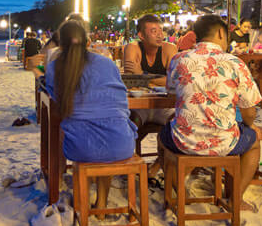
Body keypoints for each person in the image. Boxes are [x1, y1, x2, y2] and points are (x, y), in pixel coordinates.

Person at [162, 15, 262, 211]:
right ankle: (235, 199)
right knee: (255, 141)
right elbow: (249, 111)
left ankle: (173, 192)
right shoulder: (235, 63)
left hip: (183, 141)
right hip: (225, 143)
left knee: (163, 134)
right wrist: (250, 126)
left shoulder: (179, 59)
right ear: (220, 33)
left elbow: (171, 94)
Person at [45, 19, 137, 214]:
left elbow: (56, 99)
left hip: (81, 149)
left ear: (60, 45)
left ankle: (82, 199)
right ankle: (101, 204)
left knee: (80, 134)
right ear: (88, 42)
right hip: (121, 145)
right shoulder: (106, 63)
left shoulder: (54, 68)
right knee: (108, 134)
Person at [123, 14, 178, 173]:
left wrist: (143, 76)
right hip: (139, 107)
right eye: (154, 31)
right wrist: (158, 80)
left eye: (161, 30)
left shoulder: (169, 49)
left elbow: (174, 81)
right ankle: (130, 165)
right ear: (141, 35)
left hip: (164, 106)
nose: (160, 35)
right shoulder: (133, 48)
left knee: (177, 125)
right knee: (129, 127)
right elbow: (131, 80)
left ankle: (156, 167)